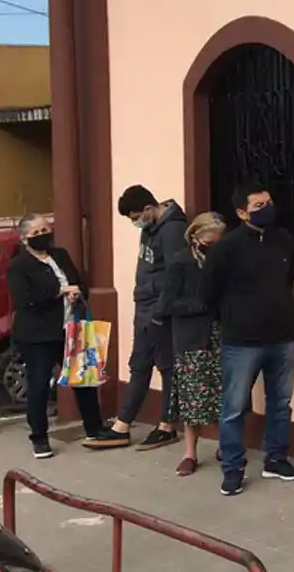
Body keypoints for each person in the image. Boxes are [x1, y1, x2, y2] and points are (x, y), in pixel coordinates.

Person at [205, 183, 294, 497]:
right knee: (234, 407)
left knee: (281, 403)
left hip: (283, 336)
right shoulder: (226, 248)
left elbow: (287, 281)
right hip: (241, 341)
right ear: (241, 213)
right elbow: (209, 292)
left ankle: (276, 459)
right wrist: (234, 318)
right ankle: (232, 469)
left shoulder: (285, 240)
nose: (267, 209)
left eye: (269, 202)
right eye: (258, 206)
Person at [87, 185, 186, 451]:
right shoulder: (150, 227)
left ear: (148, 209)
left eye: (135, 217)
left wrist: (161, 311)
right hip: (144, 305)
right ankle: (123, 424)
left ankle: (167, 425)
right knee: (140, 364)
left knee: (166, 366)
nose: (135, 223)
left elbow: (176, 274)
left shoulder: (173, 229)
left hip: (159, 309)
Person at [7, 213, 105, 459]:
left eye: (45, 230)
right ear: (25, 238)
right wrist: (60, 291)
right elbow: (26, 300)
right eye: (36, 233)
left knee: (84, 379)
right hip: (38, 334)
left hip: (72, 327)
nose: (43, 236)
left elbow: (79, 283)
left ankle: (94, 428)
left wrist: (75, 293)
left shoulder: (59, 255)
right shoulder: (18, 265)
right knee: (39, 385)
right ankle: (39, 437)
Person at [156, 211, 227, 477]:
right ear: (196, 238)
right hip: (191, 338)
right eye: (211, 241)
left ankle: (225, 445)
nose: (215, 246)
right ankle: (190, 452)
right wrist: (199, 306)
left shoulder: (221, 261)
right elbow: (167, 303)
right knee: (193, 399)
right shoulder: (181, 262)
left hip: (220, 334)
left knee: (224, 394)